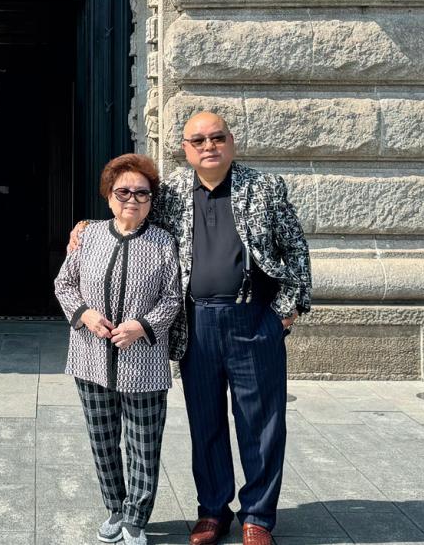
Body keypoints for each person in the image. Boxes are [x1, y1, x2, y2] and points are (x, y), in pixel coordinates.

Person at [69, 112, 312, 545]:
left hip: (253, 320)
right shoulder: (173, 192)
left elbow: (295, 249)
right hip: (195, 323)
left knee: (262, 424)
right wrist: (86, 227)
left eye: (216, 137)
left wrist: (285, 313)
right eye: (197, 140)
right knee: (206, 423)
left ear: (231, 142)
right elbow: (130, 214)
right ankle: (213, 511)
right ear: (185, 149)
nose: (208, 146)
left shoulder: (264, 187)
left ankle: (257, 517)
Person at [54, 154, 183, 545]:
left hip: (144, 364)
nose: (132, 199)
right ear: (109, 196)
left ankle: (136, 518)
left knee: (144, 445)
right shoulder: (88, 236)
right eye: (123, 191)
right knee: (103, 439)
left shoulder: (163, 242)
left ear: (151, 200)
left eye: (142, 193)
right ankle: (114, 507)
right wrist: (85, 315)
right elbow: (64, 284)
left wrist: (142, 326)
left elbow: (172, 298)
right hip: (90, 360)